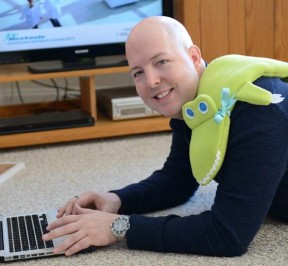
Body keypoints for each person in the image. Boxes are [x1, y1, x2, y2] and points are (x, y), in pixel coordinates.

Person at [42, 16, 288, 257]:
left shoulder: (260, 108)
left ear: (193, 57)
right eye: (138, 72)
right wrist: (117, 199)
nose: (151, 81)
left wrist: (118, 227)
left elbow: (227, 235)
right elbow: (178, 179)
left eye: (161, 62)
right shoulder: (199, 102)